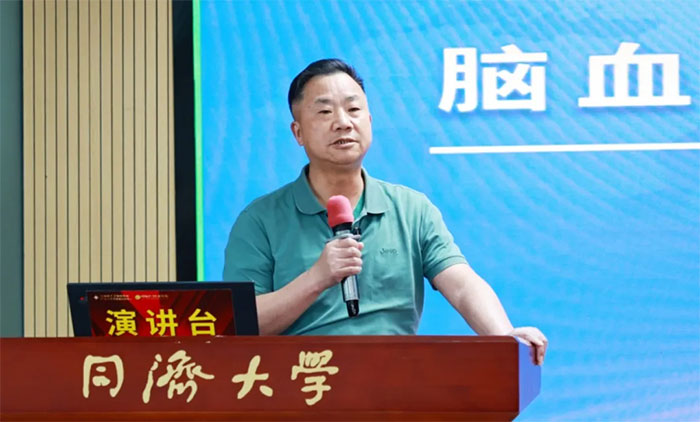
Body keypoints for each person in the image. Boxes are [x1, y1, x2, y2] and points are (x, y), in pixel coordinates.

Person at [224, 59, 548, 365]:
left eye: (353, 109)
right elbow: (240, 326)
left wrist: (505, 335)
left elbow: (461, 284)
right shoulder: (260, 220)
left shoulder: (411, 209)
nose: (343, 122)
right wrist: (316, 279)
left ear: (369, 121)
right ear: (298, 132)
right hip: (303, 384)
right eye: (324, 112)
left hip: (395, 382)